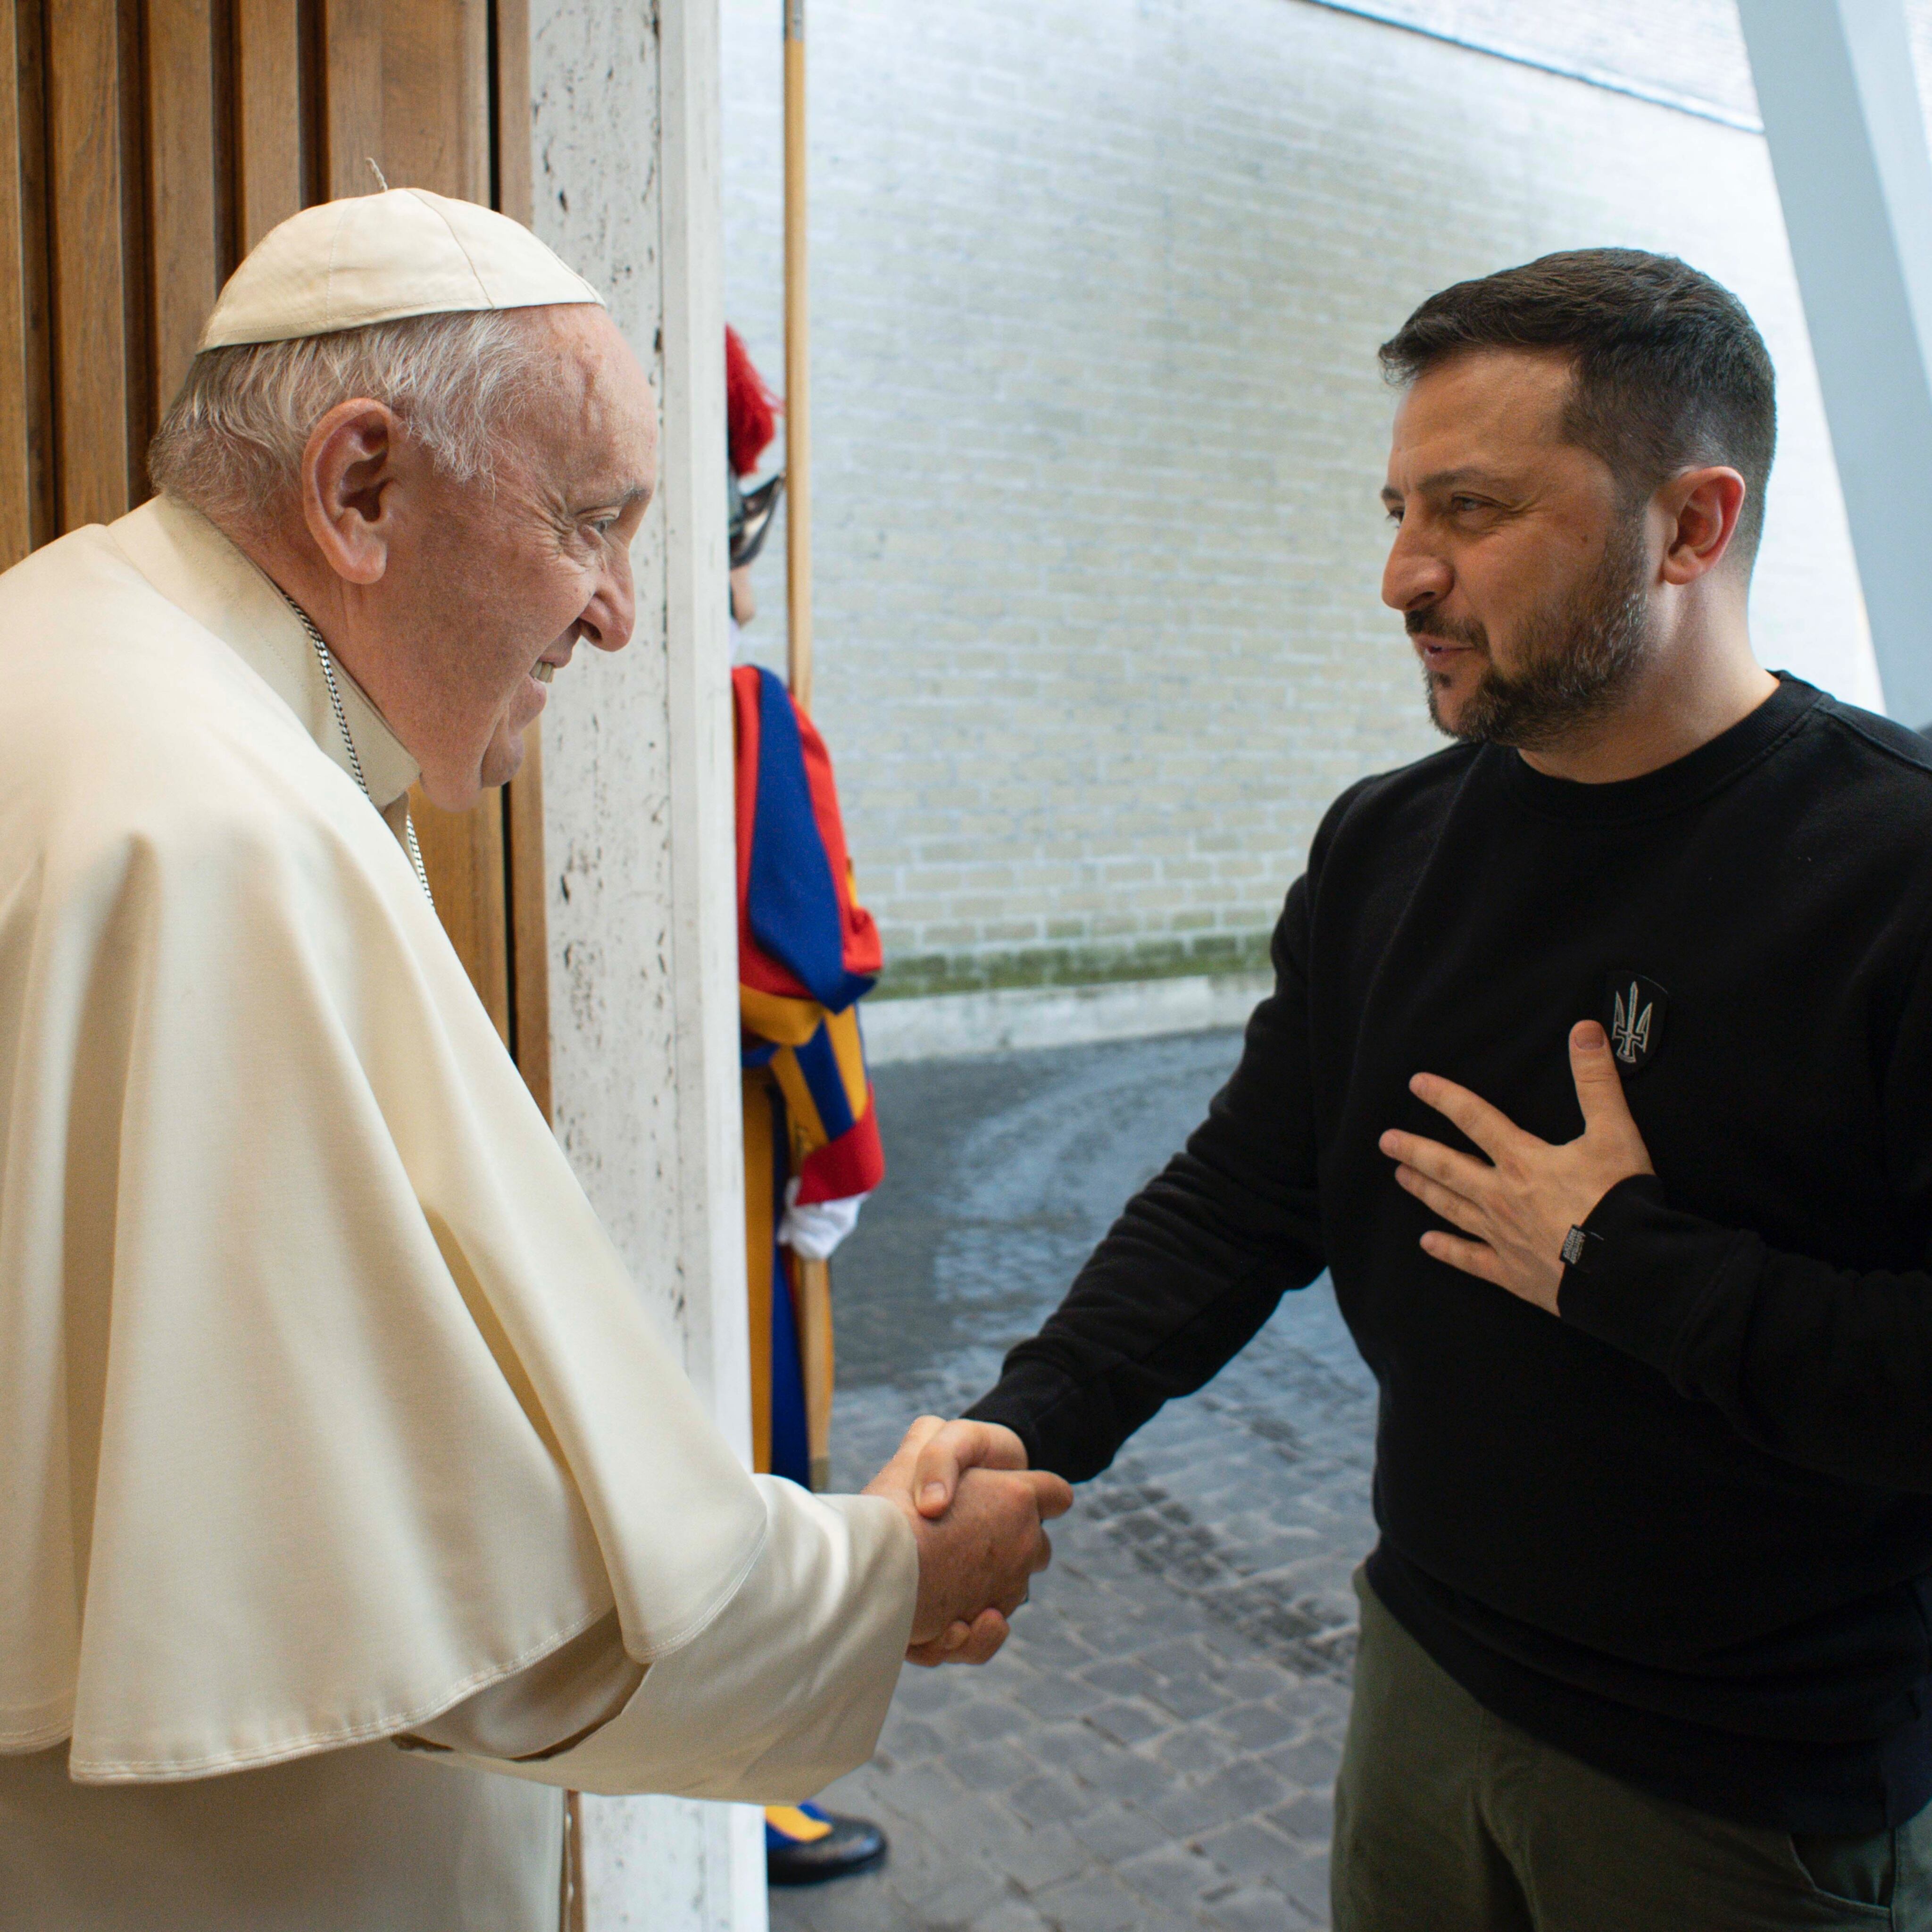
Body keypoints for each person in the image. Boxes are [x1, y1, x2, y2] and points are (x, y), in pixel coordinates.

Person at [0, 187, 1068, 1930]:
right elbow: (437, 1585)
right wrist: (882, 1579)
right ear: (360, 491)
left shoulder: (79, 649)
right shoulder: (216, 831)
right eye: (590, 525)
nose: (622, 616)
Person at [925, 249, 1932, 1928]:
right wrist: (1026, 1430)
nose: (1402, 574)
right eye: (1398, 507)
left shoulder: (1894, 875)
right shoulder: (1390, 840)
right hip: (1426, 1682)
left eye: (1471, 511)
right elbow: (1246, 1193)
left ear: (1691, 525)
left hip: (1751, 1786)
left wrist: (1625, 1263)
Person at [723, 321, 895, 1885]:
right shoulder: (745, 709)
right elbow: (806, 963)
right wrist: (840, 1141)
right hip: (741, 1138)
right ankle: (767, 1786)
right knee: (772, 1440)